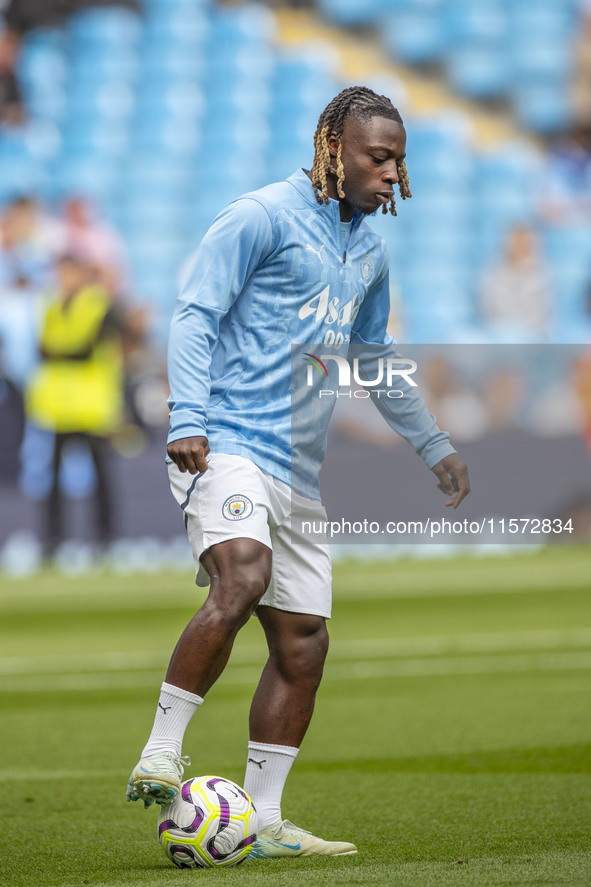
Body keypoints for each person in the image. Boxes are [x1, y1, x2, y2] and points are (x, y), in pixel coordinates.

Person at [126, 86, 470, 858]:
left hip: (298, 469)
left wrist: (433, 443)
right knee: (240, 577)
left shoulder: (371, 253)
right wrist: (188, 417)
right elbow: (194, 312)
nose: (391, 173)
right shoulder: (259, 215)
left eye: (399, 160)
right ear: (332, 148)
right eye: (378, 157)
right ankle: (161, 749)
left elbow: (375, 359)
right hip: (228, 444)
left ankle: (267, 814)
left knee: (303, 643)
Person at [25, 254, 124, 557]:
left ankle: (107, 539)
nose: (64, 279)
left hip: (92, 406)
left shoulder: (100, 305)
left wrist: (58, 350)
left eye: (69, 273)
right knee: (52, 480)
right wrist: (60, 350)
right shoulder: (52, 306)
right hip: (60, 407)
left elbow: (80, 350)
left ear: (82, 274)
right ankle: (53, 541)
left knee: (102, 477)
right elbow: (42, 349)